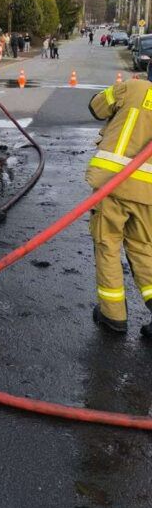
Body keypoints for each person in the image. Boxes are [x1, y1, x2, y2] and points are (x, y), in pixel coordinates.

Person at [86, 70, 152, 335]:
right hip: (149, 195)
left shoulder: (134, 88)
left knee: (107, 244)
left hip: (115, 184)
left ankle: (113, 315)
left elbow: (96, 107)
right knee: (143, 249)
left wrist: (124, 87)